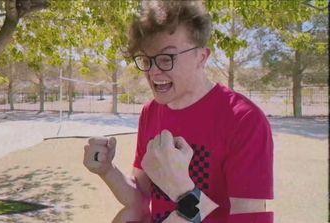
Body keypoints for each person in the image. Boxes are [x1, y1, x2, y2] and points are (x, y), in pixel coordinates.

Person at [83, 1, 273, 222]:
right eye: (146, 59)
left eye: (166, 58)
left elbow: (250, 218)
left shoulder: (244, 120)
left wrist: (183, 190)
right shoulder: (151, 112)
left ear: (201, 57)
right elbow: (141, 199)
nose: (153, 72)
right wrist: (107, 170)